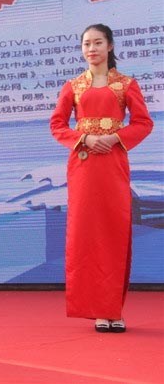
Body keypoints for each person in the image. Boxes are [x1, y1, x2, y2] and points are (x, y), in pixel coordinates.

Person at [50, 24, 153, 333]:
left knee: (114, 231)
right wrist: (84, 138)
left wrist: (114, 138)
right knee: (86, 234)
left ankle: (113, 310)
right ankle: (97, 310)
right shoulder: (73, 86)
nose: (91, 49)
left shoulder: (126, 84)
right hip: (83, 165)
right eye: (86, 44)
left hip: (113, 162)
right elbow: (57, 124)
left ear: (110, 46)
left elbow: (143, 123)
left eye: (97, 43)